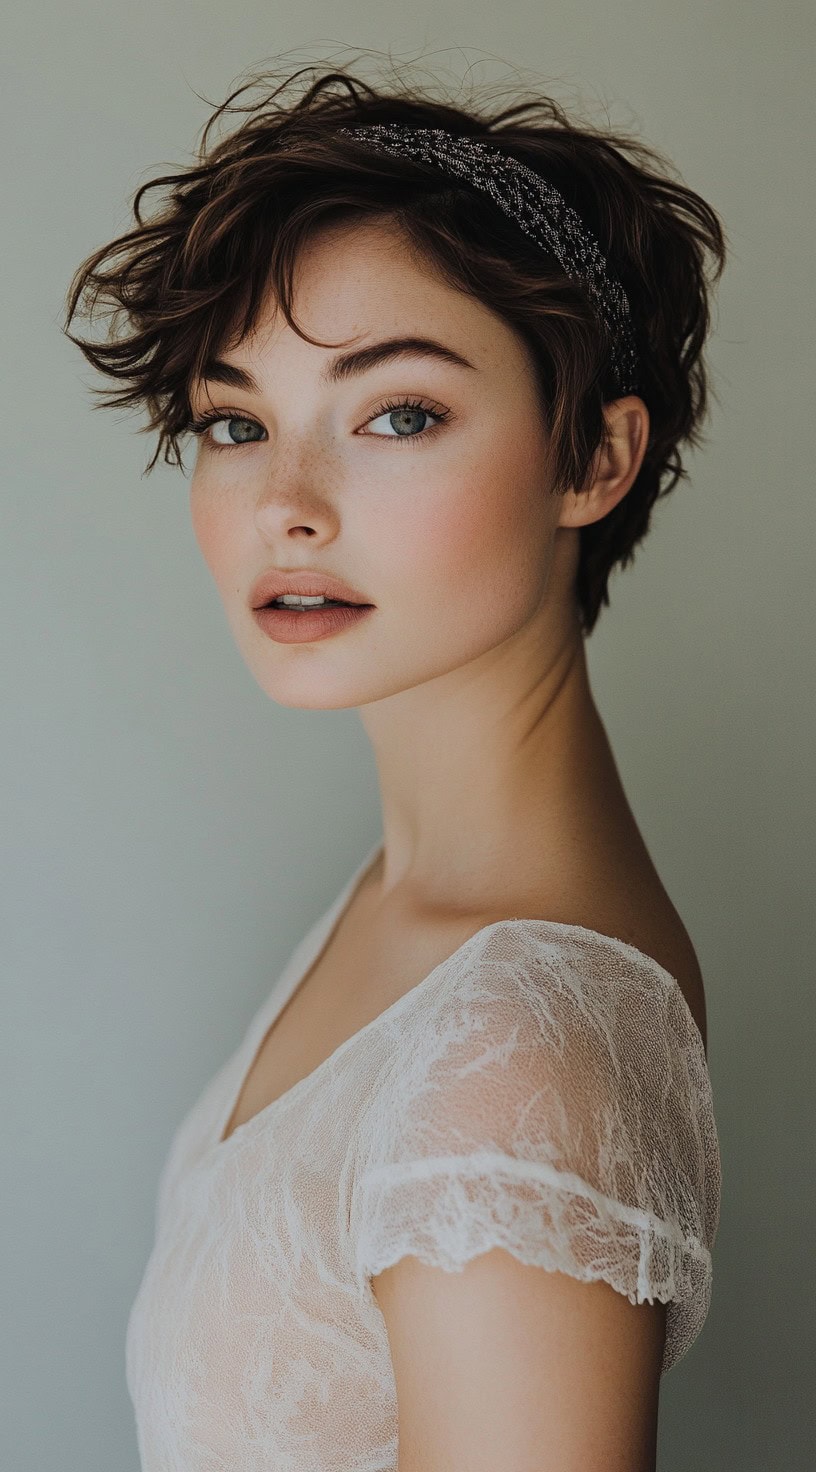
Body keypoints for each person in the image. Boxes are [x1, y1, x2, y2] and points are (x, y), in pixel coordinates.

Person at [64, 57, 726, 1472]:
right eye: (237, 423)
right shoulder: (406, 908)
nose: (287, 507)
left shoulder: (521, 1058)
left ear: (595, 460)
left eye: (397, 413)